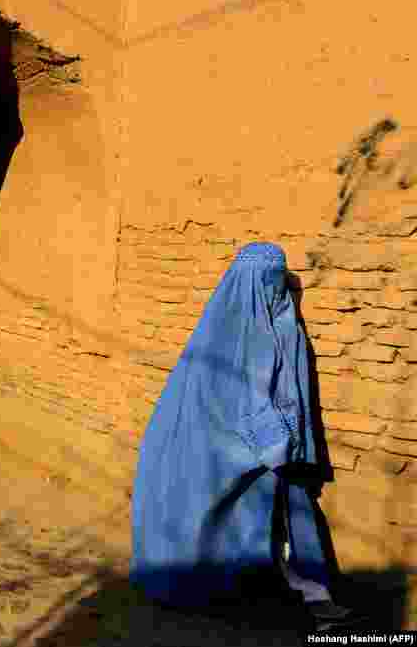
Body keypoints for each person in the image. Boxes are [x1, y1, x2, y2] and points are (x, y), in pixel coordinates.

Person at [130, 242, 363, 632]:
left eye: (280, 277)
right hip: (226, 445)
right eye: (268, 280)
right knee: (234, 521)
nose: (277, 286)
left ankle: (312, 598)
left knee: (284, 514)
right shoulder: (233, 329)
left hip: (267, 444)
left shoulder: (280, 317)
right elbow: (236, 394)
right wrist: (273, 441)